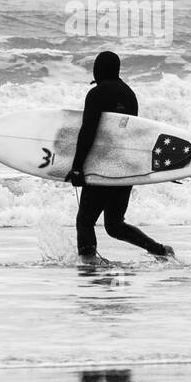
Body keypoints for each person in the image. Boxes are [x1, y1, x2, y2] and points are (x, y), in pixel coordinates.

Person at [66, 51, 175, 264]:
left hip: (106, 166)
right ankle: (160, 250)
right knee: (114, 224)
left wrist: (77, 166)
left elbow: (88, 131)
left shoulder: (97, 94)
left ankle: (88, 264)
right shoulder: (129, 94)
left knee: (85, 220)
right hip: (126, 166)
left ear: (99, 70)